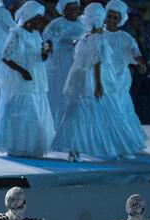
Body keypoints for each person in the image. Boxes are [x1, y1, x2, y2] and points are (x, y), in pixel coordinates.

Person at [51, 2, 137, 162]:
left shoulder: (84, 37)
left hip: (78, 80)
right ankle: (116, 147)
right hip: (91, 80)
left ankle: (75, 149)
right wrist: (98, 84)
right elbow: (96, 62)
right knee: (106, 113)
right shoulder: (97, 38)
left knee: (78, 114)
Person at [0, 1, 54, 159]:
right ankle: (16, 146)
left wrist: (46, 51)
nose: (40, 22)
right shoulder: (16, 33)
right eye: (38, 18)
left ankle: (32, 147)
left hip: (36, 77)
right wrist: (22, 71)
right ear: (29, 17)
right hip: (19, 78)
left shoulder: (36, 34)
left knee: (35, 110)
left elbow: (40, 57)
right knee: (22, 110)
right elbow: (6, 56)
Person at [104, 0, 147, 159]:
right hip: (101, 78)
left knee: (120, 109)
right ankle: (106, 143)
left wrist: (141, 64)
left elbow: (136, 54)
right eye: (109, 16)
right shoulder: (98, 34)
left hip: (120, 79)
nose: (111, 20)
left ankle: (122, 143)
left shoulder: (125, 37)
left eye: (115, 18)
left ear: (120, 20)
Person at [43, 0, 83, 127]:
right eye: (70, 8)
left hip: (78, 61)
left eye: (76, 9)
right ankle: (55, 124)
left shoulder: (83, 23)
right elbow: (46, 41)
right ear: (63, 9)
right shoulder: (55, 24)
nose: (74, 12)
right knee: (59, 92)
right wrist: (45, 53)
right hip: (59, 62)